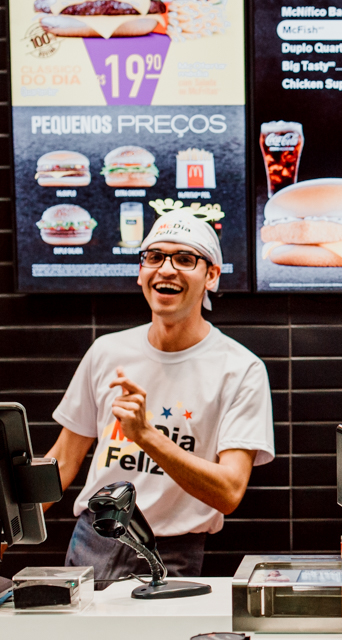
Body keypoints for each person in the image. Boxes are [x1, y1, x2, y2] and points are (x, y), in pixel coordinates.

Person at [45, 211, 274, 583]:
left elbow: (230, 491)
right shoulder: (107, 352)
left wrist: (146, 436)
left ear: (211, 276)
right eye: (155, 257)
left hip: (172, 552)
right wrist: (8, 528)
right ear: (141, 272)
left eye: (185, 259)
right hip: (92, 540)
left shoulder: (240, 369)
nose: (166, 269)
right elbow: (63, 460)